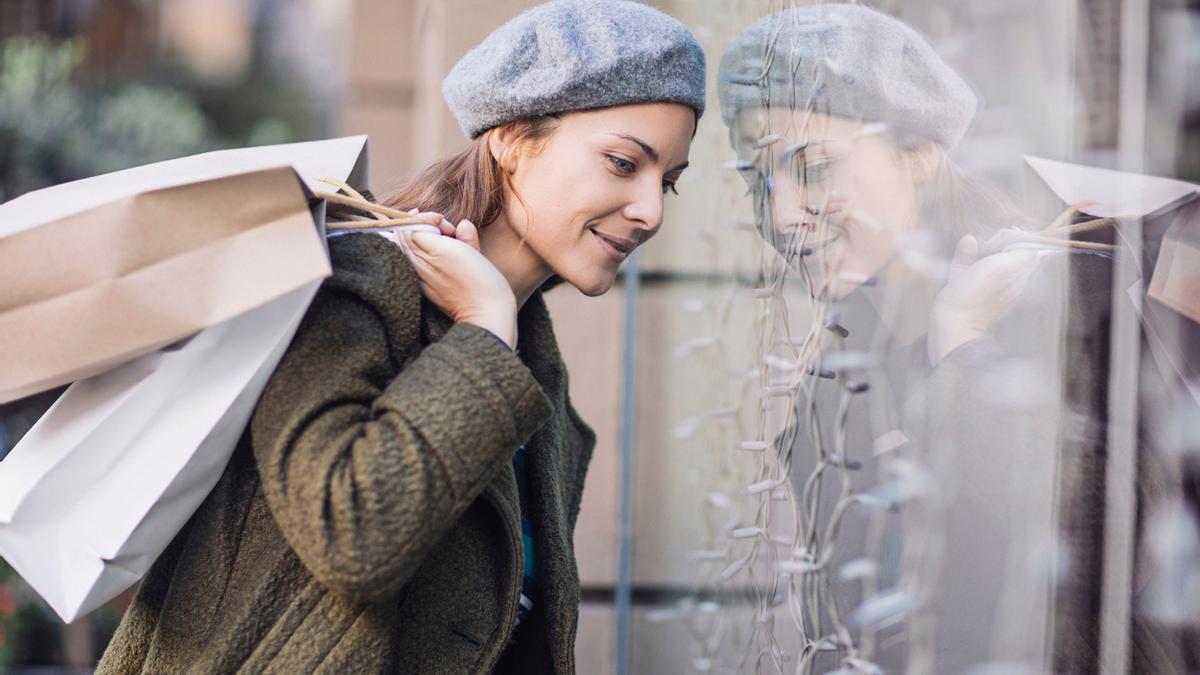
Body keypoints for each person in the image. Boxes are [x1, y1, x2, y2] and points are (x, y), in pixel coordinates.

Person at [96, 1, 705, 672]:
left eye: (668, 183)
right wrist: (482, 330)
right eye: (624, 163)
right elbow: (350, 531)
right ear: (509, 138)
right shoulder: (352, 284)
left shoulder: (540, 379)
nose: (649, 210)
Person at [716, 6, 1116, 672]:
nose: (781, 214)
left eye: (812, 168)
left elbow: (1099, 539)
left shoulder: (1061, 308)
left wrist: (963, 345)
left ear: (919, 154)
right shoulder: (853, 351)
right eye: (759, 181)